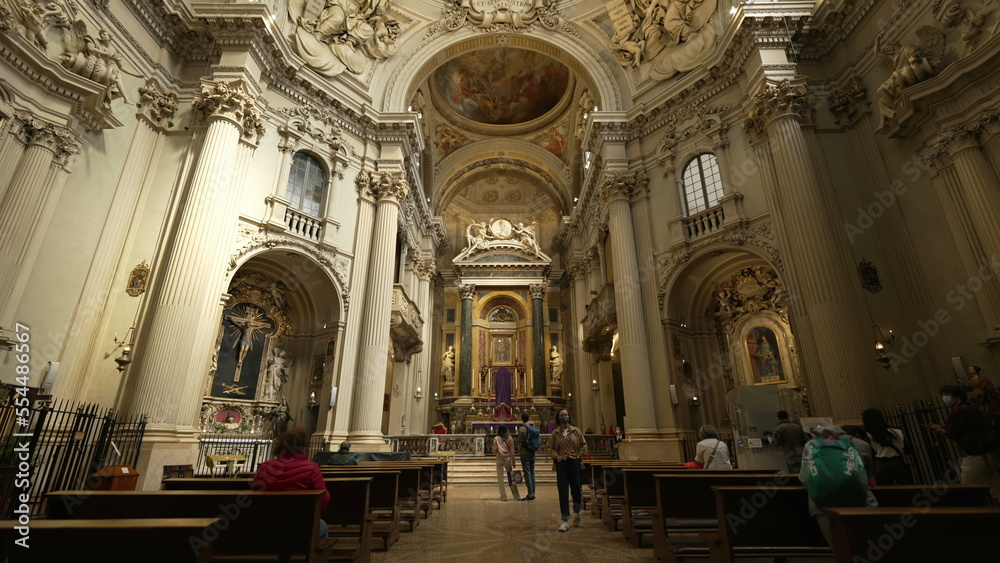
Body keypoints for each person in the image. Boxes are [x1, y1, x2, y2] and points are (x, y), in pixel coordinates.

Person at [253, 429, 329, 563]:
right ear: (303, 447)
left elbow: (254, 496)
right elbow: (323, 500)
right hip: (301, 526)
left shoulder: (265, 467)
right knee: (321, 525)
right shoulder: (311, 468)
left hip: (267, 524)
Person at [926, 385, 1000, 502]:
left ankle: (971, 518)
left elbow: (952, 432)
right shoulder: (970, 408)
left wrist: (943, 430)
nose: (944, 398)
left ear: (957, 396)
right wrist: (942, 429)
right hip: (988, 454)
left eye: (946, 395)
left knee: (966, 490)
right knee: (995, 486)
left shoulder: (960, 411)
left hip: (977, 457)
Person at [547, 408, 588, 532]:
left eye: (565, 415)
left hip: (573, 463)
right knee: (563, 492)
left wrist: (579, 455)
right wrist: (557, 457)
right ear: (558, 418)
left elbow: (584, 444)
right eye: (561, 415)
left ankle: (577, 513)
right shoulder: (555, 433)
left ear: (569, 416)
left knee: (576, 489)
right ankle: (565, 520)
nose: (564, 417)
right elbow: (550, 447)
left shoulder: (576, 431)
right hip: (562, 464)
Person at [861, 408, 912, 485]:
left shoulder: (868, 435)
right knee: (905, 487)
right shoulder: (896, 432)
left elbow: (869, 453)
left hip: (880, 463)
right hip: (897, 461)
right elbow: (907, 450)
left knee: (887, 490)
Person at [493, 426, 521, 501]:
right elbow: (512, 451)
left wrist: (497, 451)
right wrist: (514, 461)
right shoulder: (510, 438)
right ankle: (516, 496)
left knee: (500, 479)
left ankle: (503, 496)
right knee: (511, 477)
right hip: (507, 459)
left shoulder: (496, 438)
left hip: (499, 459)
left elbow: (494, 450)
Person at [516, 413, 537, 502]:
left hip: (525, 453)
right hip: (532, 452)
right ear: (528, 419)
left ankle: (530, 494)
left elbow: (520, 442)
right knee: (532, 472)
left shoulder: (521, 429)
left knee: (527, 473)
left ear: (522, 419)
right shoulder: (533, 429)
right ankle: (533, 493)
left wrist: (519, 451)